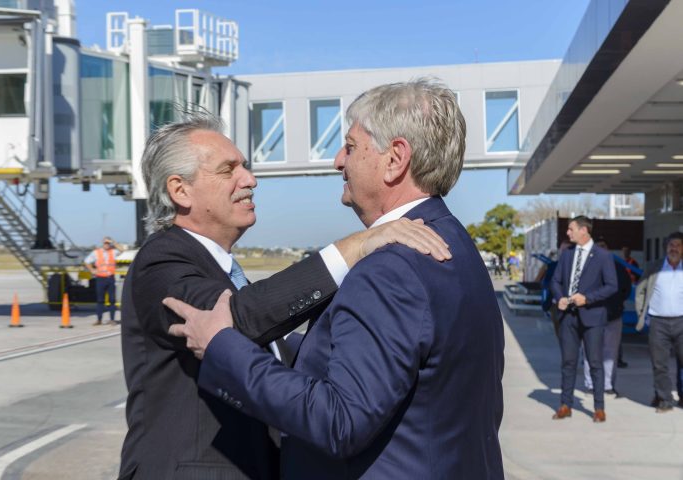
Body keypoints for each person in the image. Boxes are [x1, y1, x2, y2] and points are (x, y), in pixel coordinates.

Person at [166, 79, 505, 478]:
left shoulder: (391, 269)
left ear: (395, 159)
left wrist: (223, 347)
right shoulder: (455, 243)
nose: (338, 160)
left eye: (351, 146)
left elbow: (340, 421)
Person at [117, 113, 451, 479]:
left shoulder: (221, 270)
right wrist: (357, 246)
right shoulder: (161, 263)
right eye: (229, 170)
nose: (250, 180)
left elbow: (270, 345)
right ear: (180, 190)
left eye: (245, 167)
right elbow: (234, 319)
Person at [550, 216, 617, 423]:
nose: (567, 233)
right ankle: (565, 405)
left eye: (571, 229)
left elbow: (611, 286)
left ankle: (599, 408)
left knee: (595, 363)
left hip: (592, 317)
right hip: (568, 317)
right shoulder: (567, 254)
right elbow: (555, 281)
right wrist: (560, 297)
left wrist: (587, 298)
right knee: (568, 362)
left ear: (584, 230)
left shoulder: (603, 256)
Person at [635, 232, 683, 412]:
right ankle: (664, 399)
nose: (674, 248)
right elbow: (640, 290)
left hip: (682, 322)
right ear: (665, 247)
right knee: (659, 364)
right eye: (671, 245)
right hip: (658, 323)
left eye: (678, 245)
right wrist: (643, 314)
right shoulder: (654, 267)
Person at [582, 240, 632, 397]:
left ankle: (608, 386)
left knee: (611, 353)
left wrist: (615, 305)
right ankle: (591, 385)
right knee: (590, 352)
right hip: (591, 317)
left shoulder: (617, 268)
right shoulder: (584, 267)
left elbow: (626, 289)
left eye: (604, 247)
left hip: (613, 317)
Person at [84, 236, 125, 325]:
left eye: (108, 243)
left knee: (112, 300)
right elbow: (86, 261)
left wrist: (113, 241)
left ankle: (112, 319)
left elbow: (122, 250)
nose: (107, 245)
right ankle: (99, 320)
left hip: (110, 278)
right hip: (100, 278)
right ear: (103, 243)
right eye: (105, 243)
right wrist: (92, 270)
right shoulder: (96, 252)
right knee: (100, 300)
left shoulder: (113, 252)